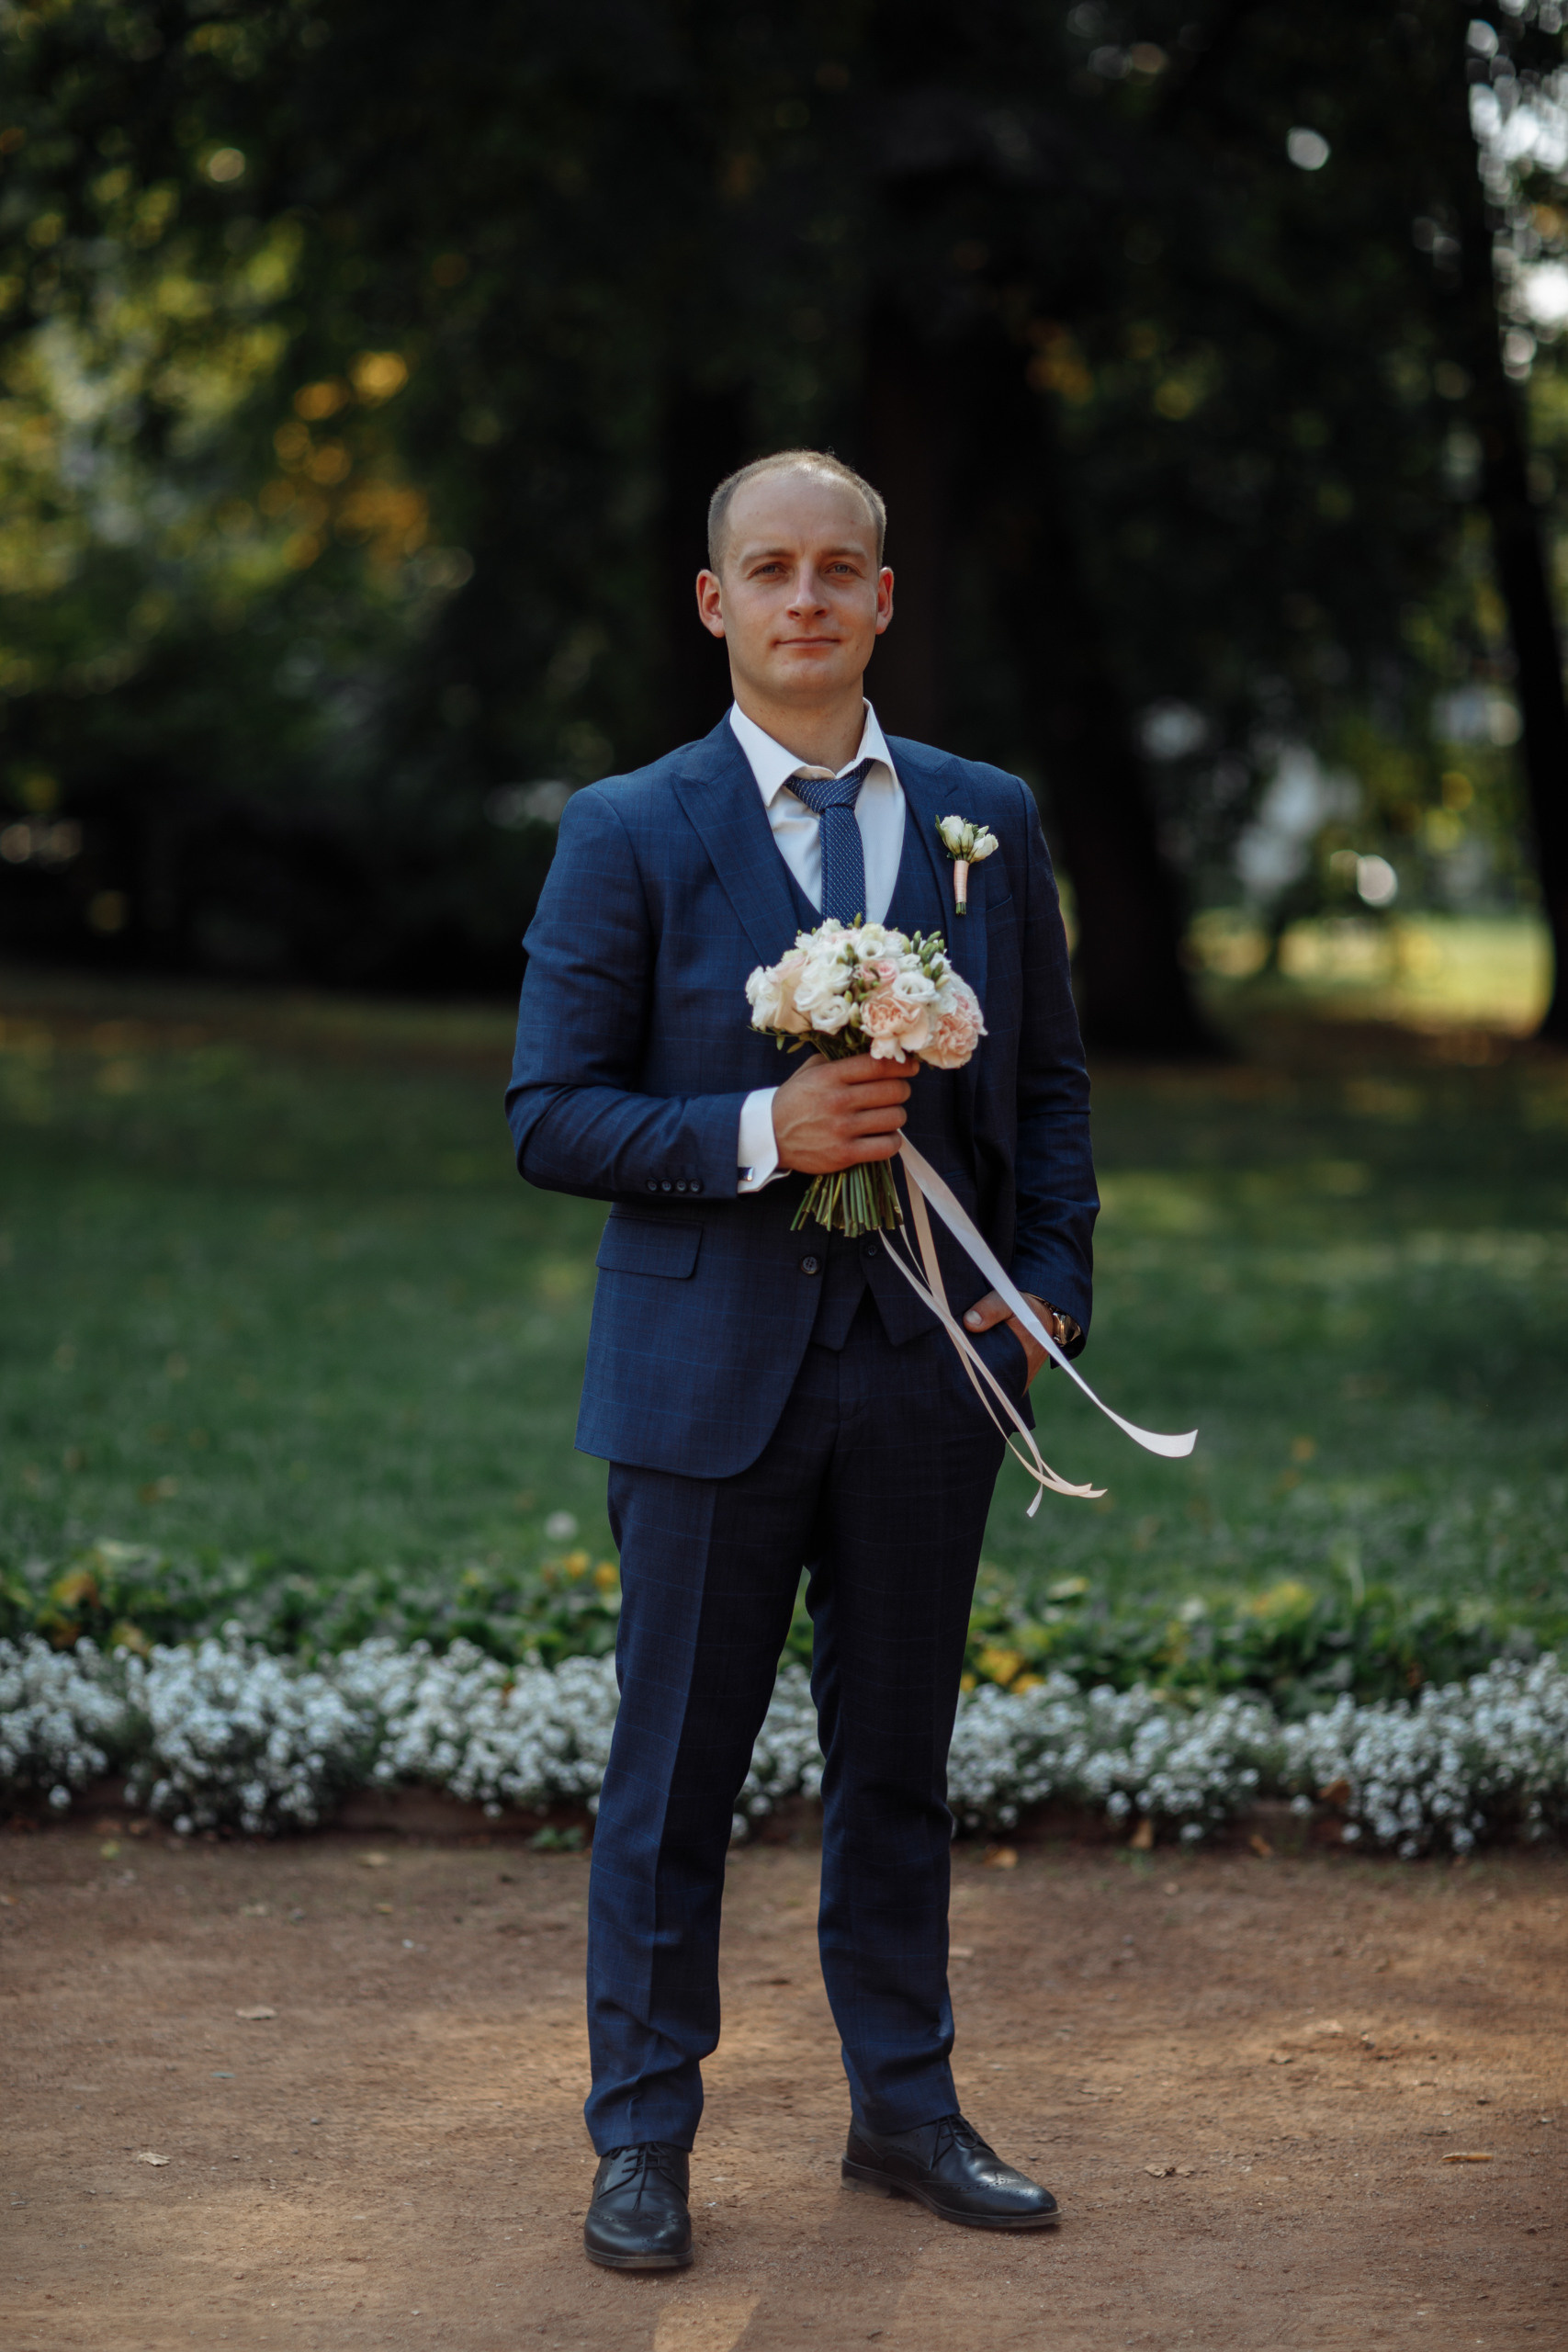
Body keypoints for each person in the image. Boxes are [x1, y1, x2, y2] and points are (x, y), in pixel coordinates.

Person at [506, 448, 1097, 2271]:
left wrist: (1051, 1283)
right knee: (672, 1775)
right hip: (704, 1380)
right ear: (715, 602)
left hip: (930, 1372)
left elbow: (1050, 1086)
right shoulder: (628, 825)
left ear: (883, 599)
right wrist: (767, 1129)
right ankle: (641, 2139)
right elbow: (549, 1111)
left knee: (899, 1766)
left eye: (840, 569)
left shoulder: (984, 819)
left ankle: (904, 2110)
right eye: (769, 569)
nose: (806, 598)